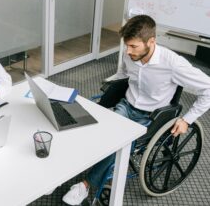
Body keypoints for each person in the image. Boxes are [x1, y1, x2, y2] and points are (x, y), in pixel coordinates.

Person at [62, 15, 210, 205]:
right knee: (95, 128)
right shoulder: (130, 54)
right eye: (127, 45)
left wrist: (187, 119)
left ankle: (85, 185)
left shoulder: (172, 63)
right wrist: (110, 83)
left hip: (151, 118)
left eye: (133, 46)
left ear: (151, 42)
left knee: (117, 144)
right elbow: (124, 73)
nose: (128, 51)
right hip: (126, 105)